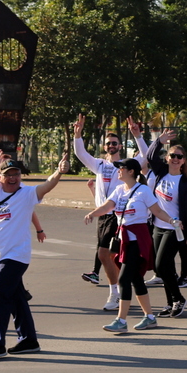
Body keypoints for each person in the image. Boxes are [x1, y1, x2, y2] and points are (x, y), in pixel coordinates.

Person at [0, 134, 69, 361]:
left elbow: (47, 186)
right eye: (8, 174)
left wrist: (59, 172)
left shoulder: (27, 193)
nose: (13, 178)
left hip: (16, 256)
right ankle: (29, 340)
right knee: (17, 299)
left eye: (16, 174)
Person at [85, 159, 183, 333]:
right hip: (124, 240)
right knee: (136, 279)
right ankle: (150, 317)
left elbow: (157, 211)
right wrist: (93, 213)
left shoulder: (143, 190)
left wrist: (172, 221)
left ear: (131, 171)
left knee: (124, 279)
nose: (118, 171)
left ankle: (121, 320)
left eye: (121, 168)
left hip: (138, 239)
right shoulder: (118, 190)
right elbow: (107, 207)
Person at [73, 114, 149, 310]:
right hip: (102, 216)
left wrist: (137, 136)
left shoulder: (125, 166)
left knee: (105, 254)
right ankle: (122, 291)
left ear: (120, 146)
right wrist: (78, 135)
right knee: (109, 257)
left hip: (118, 216)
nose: (111, 145)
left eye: (114, 143)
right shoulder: (99, 164)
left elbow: (145, 156)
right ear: (104, 146)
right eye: (108, 143)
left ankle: (116, 293)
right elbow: (81, 153)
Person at [143, 133, 187, 318]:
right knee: (163, 267)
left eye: (179, 157)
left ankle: (178, 299)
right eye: (173, 156)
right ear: (167, 158)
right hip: (157, 226)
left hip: (175, 229)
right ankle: (170, 303)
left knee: (161, 265)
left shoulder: (185, 183)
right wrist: (159, 141)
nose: (175, 159)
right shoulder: (161, 173)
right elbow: (150, 156)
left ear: (183, 161)